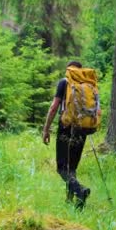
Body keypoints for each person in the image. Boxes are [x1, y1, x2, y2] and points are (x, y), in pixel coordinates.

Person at [42, 61, 91, 208]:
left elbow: (54, 107)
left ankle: (80, 190)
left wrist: (46, 129)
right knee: (72, 167)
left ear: (69, 70)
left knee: (62, 168)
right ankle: (70, 201)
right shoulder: (88, 85)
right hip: (83, 129)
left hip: (66, 127)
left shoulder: (65, 82)